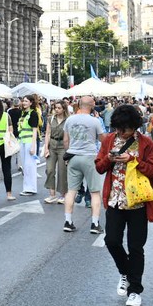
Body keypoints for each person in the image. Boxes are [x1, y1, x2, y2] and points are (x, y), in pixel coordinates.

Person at [95, 104, 153, 306]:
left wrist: (133, 160)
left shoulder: (145, 142)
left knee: (136, 248)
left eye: (126, 129)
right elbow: (99, 167)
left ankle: (135, 291)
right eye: (119, 129)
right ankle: (125, 272)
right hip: (115, 200)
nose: (122, 133)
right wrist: (109, 158)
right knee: (111, 241)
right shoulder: (108, 140)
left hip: (138, 203)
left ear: (134, 126)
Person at [62, 95, 105, 234]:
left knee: (71, 191)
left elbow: (65, 140)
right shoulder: (95, 121)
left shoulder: (70, 119)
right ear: (92, 105)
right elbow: (103, 139)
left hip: (73, 156)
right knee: (95, 192)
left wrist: (68, 153)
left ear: (79, 104)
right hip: (89, 156)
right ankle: (95, 224)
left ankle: (68, 221)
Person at [43, 101, 69, 204]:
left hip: (63, 146)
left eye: (59, 108)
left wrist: (69, 150)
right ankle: (52, 195)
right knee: (50, 170)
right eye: (55, 108)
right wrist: (46, 148)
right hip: (52, 145)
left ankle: (63, 195)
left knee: (62, 171)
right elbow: (47, 134)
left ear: (64, 109)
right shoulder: (51, 118)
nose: (56, 110)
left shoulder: (68, 120)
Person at [17, 95, 40, 196]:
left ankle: (31, 188)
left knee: (30, 166)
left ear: (31, 103)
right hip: (22, 141)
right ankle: (27, 188)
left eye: (26, 101)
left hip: (30, 141)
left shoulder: (33, 113)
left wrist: (33, 146)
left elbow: (35, 131)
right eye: (23, 101)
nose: (24, 103)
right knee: (25, 166)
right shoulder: (22, 114)